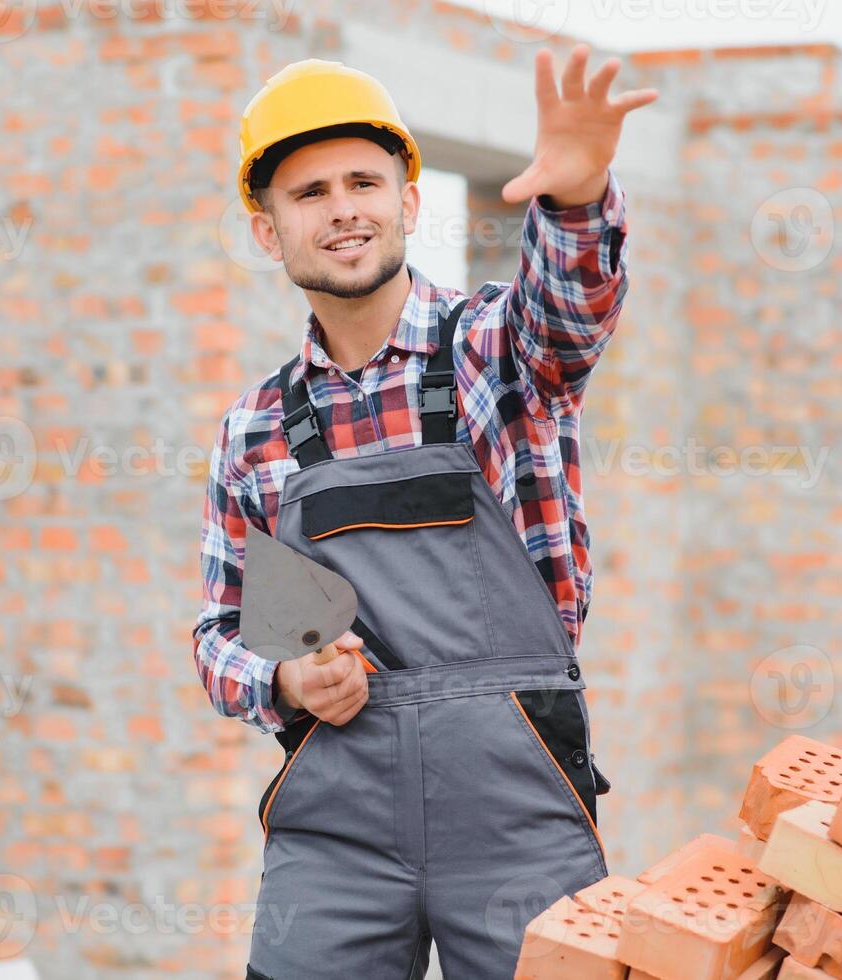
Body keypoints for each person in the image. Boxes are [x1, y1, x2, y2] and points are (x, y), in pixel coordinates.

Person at [192, 48, 658, 978]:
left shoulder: (495, 352)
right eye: (310, 192)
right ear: (265, 229)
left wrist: (575, 199)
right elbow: (219, 636)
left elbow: (571, 315)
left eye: (364, 181)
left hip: (515, 811)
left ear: (408, 203)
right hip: (337, 838)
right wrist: (287, 684)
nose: (342, 208)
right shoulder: (256, 430)